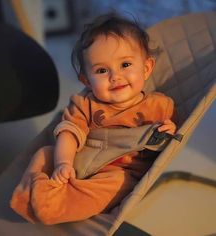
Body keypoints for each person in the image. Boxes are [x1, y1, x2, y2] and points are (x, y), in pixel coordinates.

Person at [10, 13, 176, 224]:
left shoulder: (160, 106)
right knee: (45, 154)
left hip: (120, 170)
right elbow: (69, 132)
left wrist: (169, 130)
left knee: (115, 185)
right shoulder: (84, 102)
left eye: (125, 65)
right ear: (86, 80)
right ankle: (34, 191)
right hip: (79, 158)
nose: (115, 76)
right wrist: (63, 163)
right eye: (102, 70)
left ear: (146, 68)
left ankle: (51, 205)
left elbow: (167, 140)